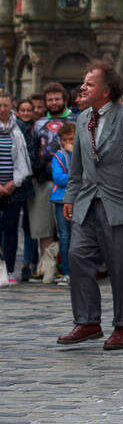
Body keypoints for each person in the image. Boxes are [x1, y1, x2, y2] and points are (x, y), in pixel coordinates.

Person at [58, 62, 123, 350]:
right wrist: (70, 196)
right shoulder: (82, 118)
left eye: (89, 84)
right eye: (83, 83)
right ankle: (88, 321)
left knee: (122, 268)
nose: (82, 88)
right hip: (87, 201)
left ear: (106, 90)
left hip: (121, 204)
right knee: (77, 256)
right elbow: (77, 165)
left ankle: (122, 327)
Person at [30, 82, 73, 278]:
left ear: (64, 100)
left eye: (57, 99)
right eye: (50, 100)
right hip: (43, 181)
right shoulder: (38, 124)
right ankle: (47, 267)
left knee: (67, 230)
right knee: (45, 227)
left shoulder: (75, 119)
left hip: (69, 183)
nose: (54, 103)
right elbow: (32, 150)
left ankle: (68, 268)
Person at [0, 89, 33, 284]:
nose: (2, 109)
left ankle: (10, 270)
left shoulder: (19, 127)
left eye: (5, 105)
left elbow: (26, 155)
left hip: (14, 187)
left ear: (12, 105)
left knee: (11, 229)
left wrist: (14, 182)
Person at [49, 122, 77, 285]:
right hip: (61, 199)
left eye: (72, 139)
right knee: (65, 236)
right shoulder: (58, 156)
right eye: (65, 139)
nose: (68, 143)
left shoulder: (80, 153)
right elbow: (58, 178)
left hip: (78, 199)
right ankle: (67, 270)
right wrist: (74, 179)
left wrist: (73, 155)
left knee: (80, 236)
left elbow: (84, 172)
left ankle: (80, 270)